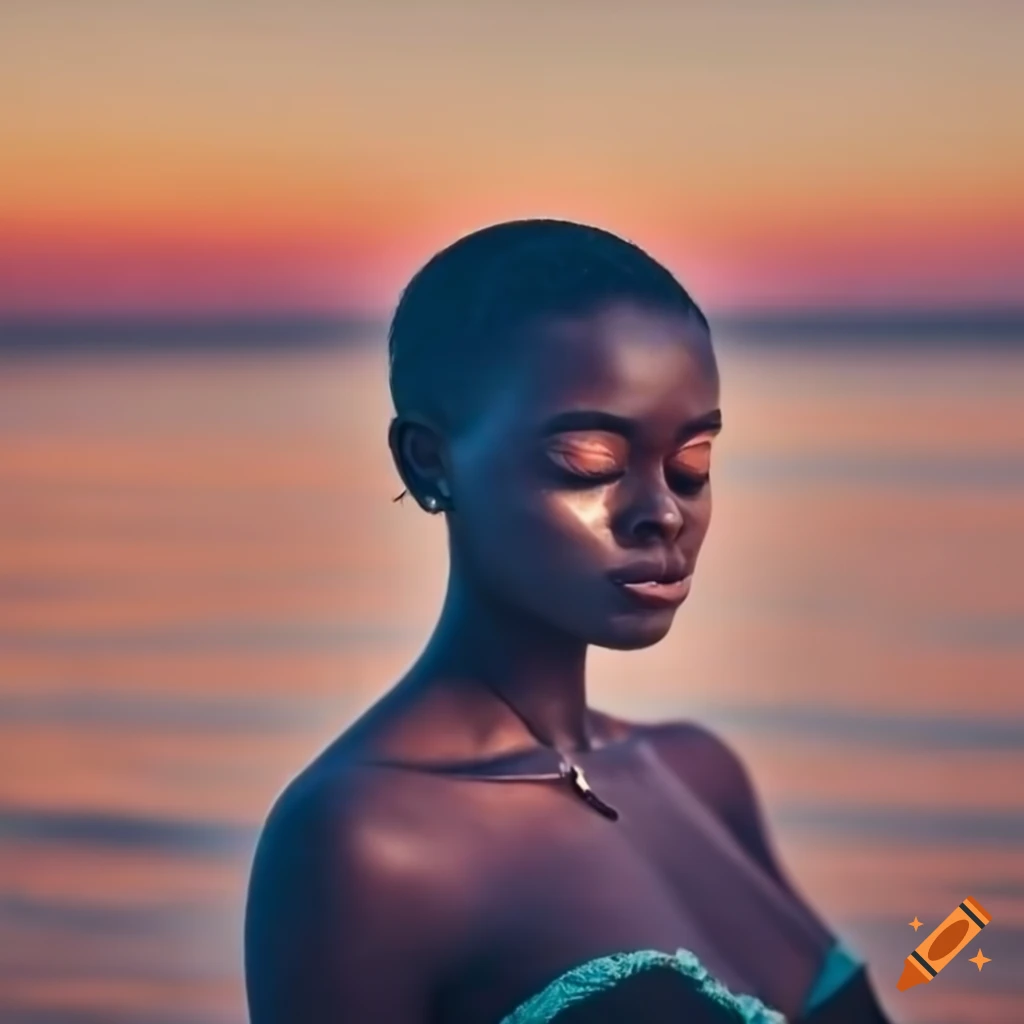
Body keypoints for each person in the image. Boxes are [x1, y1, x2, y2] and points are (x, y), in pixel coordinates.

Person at [243, 219, 894, 1023]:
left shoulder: (699, 772)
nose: (661, 512)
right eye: (592, 462)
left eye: (692, 465)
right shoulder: (364, 842)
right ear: (429, 460)